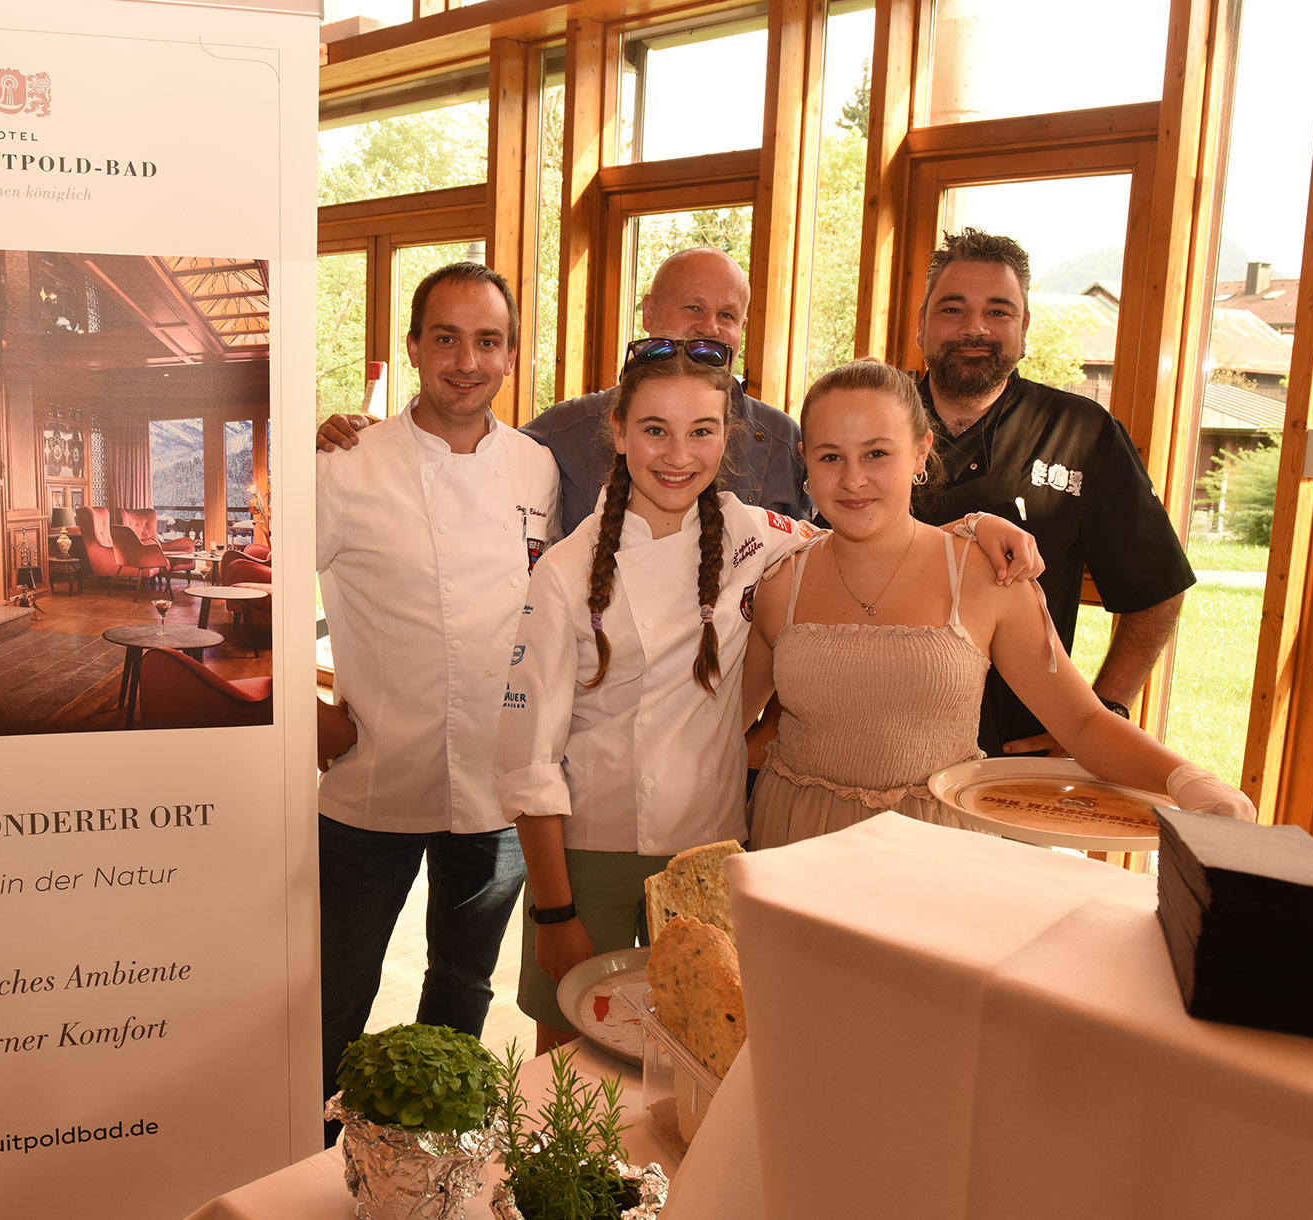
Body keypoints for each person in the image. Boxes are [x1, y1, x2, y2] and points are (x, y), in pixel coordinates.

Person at [495, 345, 1039, 1052]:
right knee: (573, 1065)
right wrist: (554, 909)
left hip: (712, 845)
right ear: (619, 431)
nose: (678, 455)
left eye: (703, 431)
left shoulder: (755, 536)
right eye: (655, 429)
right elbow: (526, 761)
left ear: (728, 436)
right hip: (587, 853)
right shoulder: (565, 571)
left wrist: (972, 526)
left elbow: (871, 532)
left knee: (703, 1059)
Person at [744, 359, 1252, 850]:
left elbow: (1082, 723)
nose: (854, 479)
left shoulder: (987, 578)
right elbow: (724, 727)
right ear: (805, 459)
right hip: (794, 842)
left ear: (922, 453)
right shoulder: (780, 582)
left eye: (877, 453)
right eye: (831, 456)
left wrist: (1188, 780)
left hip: (937, 851)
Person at [312, 262, 558, 1135]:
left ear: (510, 356)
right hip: (371, 778)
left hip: (496, 791)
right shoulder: (344, 464)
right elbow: (258, 600)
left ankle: (424, 1154)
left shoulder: (537, 468)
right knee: (337, 992)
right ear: (413, 348)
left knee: (463, 985)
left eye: (487, 340)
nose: (466, 359)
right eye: (445, 337)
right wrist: (305, 708)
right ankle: (310, 1154)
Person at [909, 228, 1196, 757]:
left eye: (999, 312)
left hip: (1012, 754)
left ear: (1024, 329)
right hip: (869, 734)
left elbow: (1157, 586)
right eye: (953, 309)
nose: (975, 327)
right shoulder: (870, 417)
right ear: (922, 323)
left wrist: (1102, 714)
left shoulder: (1083, 434)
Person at [318, 247, 810, 528]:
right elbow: (460, 461)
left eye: (728, 316)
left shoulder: (783, 443)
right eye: (693, 308)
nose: (710, 327)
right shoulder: (563, 434)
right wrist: (380, 437)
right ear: (649, 313)